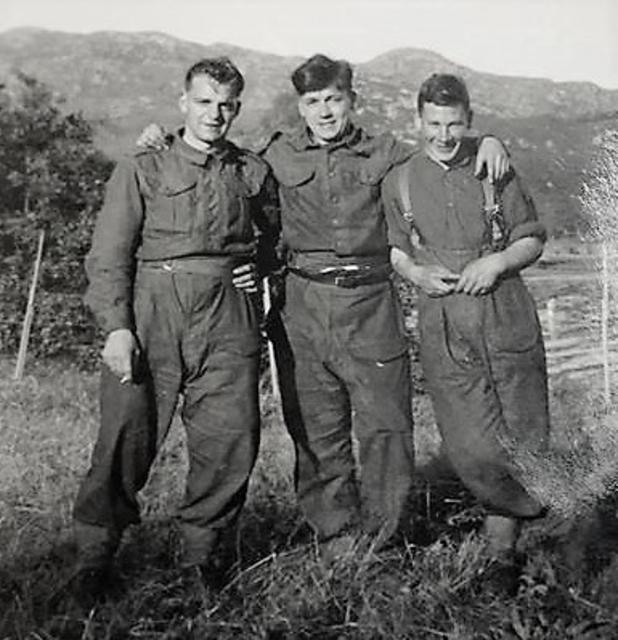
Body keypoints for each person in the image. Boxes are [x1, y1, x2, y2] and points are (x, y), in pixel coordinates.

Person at [136, 54, 509, 559]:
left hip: (371, 301)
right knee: (316, 426)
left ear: (352, 100)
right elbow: (221, 169)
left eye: (335, 99)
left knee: (386, 425)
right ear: (300, 107)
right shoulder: (275, 155)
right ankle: (335, 535)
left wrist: (486, 140)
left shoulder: (388, 153)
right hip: (302, 305)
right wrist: (161, 139)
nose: (326, 111)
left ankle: (382, 535)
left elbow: (439, 153)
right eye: (313, 102)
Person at [71, 57, 277, 596]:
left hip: (229, 315)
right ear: (183, 102)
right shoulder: (144, 167)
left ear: (238, 107)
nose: (216, 114)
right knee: (125, 435)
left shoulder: (251, 172)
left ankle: (203, 558)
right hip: (154, 310)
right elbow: (109, 255)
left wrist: (260, 274)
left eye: (227, 104)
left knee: (230, 437)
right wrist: (117, 327)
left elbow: (279, 238)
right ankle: (94, 558)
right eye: (205, 101)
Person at [382, 73, 548, 561]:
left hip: (504, 304)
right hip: (443, 313)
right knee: (468, 437)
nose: (444, 136)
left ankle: (503, 548)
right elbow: (395, 247)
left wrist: (497, 261)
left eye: (454, 124)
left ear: (469, 121)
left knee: (523, 426)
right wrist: (415, 272)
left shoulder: (495, 165)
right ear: (419, 120)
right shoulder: (402, 179)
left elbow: (532, 237)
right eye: (433, 123)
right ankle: (520, 508)